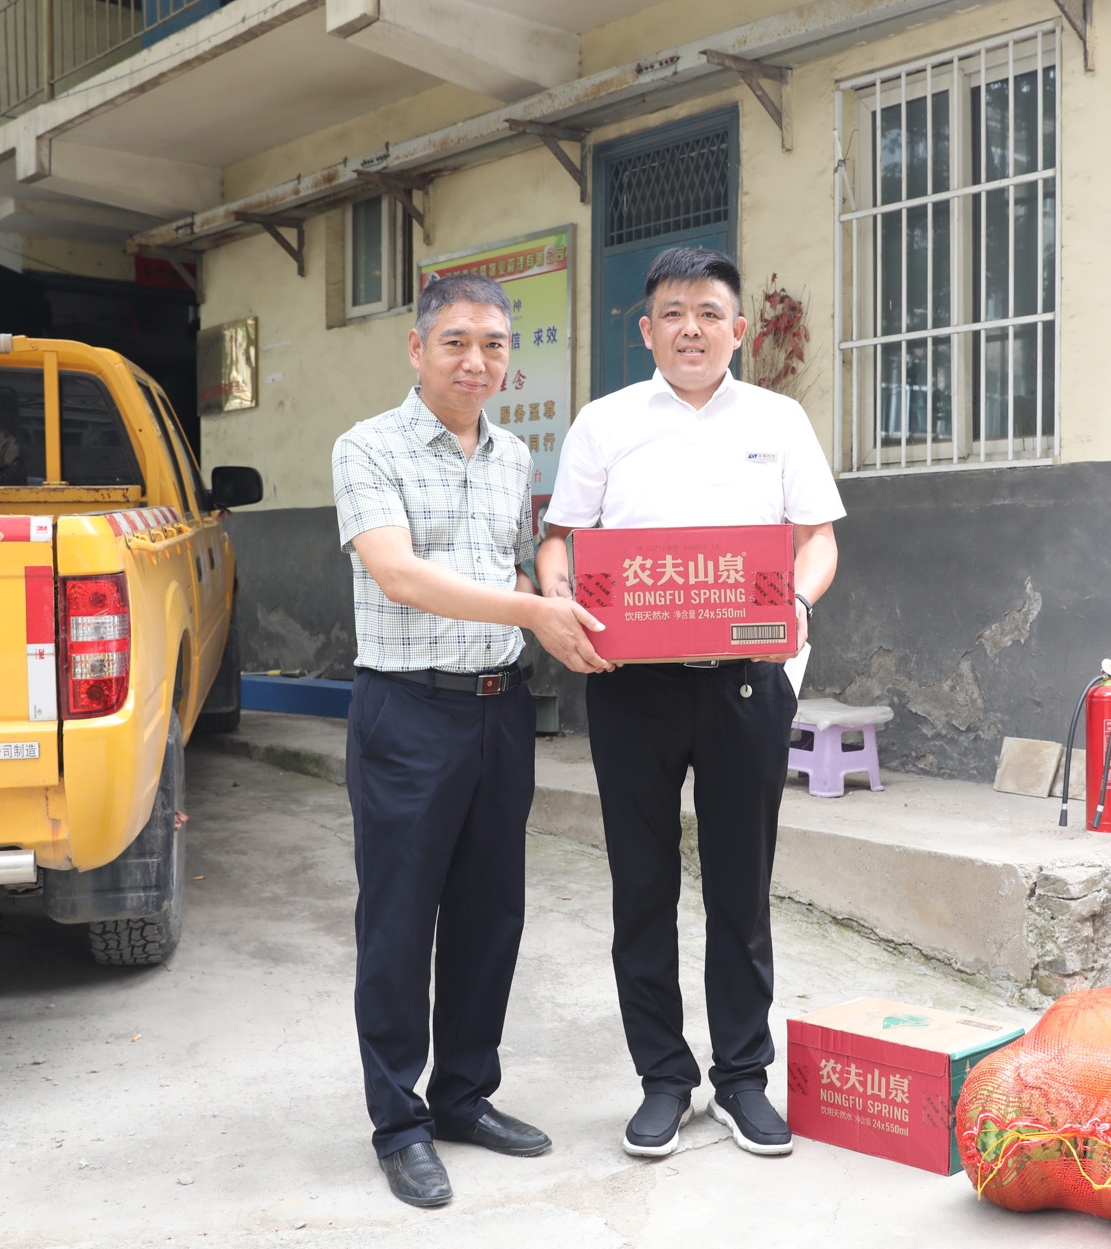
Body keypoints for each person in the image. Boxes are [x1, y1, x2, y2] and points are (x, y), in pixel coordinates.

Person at [536, 246, 844, 1159]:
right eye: (672, 313)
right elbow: (560, 541)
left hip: (746, 679)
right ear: (646, 331)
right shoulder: (604, 423)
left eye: (709, 313)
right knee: (642, 885)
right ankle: (664, 1080)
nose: (691, 330)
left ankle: (743, 1078)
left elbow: (817, 540)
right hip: (632, 683)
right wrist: (557, 600)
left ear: (738, 329)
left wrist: (796, 604)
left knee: (740, 888)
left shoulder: (779, 420)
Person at [332, 272, 612, 1208]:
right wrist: (535, 611)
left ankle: (462, 1096)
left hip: (500, 708)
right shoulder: (366, 448)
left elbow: (514, 563)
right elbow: (400, 575)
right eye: (455, 341)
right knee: (399, 920)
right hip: (407, 710)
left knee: (491, 914)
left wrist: (565, 597)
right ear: (418, 349)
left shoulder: (513, 456)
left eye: (493, 344)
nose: (475, 361)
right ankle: (399, 1123)